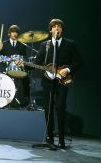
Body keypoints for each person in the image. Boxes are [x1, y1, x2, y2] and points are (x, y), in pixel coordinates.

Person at [32, 18, 83, 148]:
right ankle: (49, 137)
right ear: (50, 30)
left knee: (60, 108)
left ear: (62, 30)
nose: (56, 28)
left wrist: (67, 69)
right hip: (48, 82)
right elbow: (37, 63)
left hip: (62, 82)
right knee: (48, 109)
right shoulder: (45, 45)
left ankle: (61, 138)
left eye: (59, 26)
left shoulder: (70, 44)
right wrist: (24, 64)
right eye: (54, 26)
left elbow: (79, 61)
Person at [0, 25, 30, 108]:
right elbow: (0, 58)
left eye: (16, 32)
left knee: (25, 79)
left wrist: (22, 62)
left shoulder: (22, 45)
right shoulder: (4, 44)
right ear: (9, 33)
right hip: (7, 69)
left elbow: (25, 58)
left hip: (19, 69)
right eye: (13, 32)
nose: (15, 34)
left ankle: (21, 102)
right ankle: (6, 101)